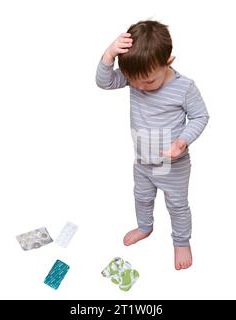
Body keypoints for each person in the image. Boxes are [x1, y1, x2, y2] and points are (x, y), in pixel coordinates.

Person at [96, 20, 209, 270]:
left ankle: (181, 241)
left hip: (173, 164)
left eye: (147, 82)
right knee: (142, 197)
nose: (139, 87)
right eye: (133, 81)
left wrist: (183, 141)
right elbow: (104, 82)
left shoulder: (184, 87)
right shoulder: (135, 75)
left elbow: (201, 116)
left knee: (177, 205)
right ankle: (145, 227)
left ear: (168, 61)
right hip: (142, 161)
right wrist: (109, 54)